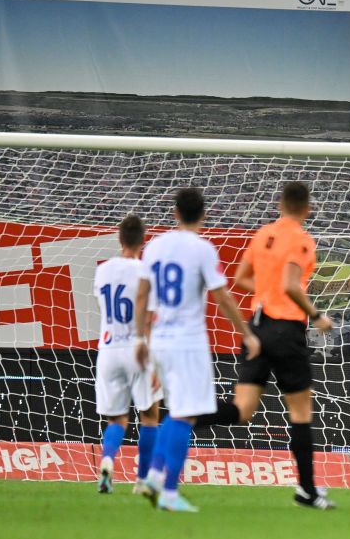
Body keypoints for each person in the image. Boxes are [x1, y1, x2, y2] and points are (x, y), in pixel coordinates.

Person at [191, 182, 337, 509]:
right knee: (300, 412)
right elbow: (289, 285)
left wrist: (267, 288)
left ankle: (183, 417)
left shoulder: (263, 234)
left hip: (257, 328)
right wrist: (317, 315)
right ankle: (308, 492)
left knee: (241, 410)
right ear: (307, 208)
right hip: (286, 330)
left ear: (280, 204)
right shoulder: (301, 239)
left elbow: (241, 279)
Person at [134, 188, 259, 512]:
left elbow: (142, 296)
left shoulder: (155, 247)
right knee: (184, 415)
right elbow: (223, 297)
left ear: (175, 213)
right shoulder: (203, 249)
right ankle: (168, 492)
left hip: (159, 339)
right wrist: (246, 333)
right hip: (188, 342)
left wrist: (140, 340)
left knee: (177, 412)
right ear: (203, 215)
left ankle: (154, 477)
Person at [93, 215, 163, 494]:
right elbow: (149, 318)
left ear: (120, 239)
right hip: (138, 349)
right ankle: (142, 480)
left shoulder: (103, 271)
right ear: (142, 242)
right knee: (149, 415)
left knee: (116, 419)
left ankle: (108, 461)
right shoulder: (146, 272)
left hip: (109, 348)